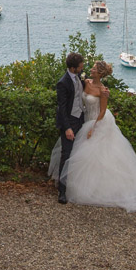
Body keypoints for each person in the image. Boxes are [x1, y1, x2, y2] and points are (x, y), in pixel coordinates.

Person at [50, 60, 136, 213]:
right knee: (81, 155)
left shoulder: (103, 90)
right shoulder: (85, 82)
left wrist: (93, 128)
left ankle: (101, 190)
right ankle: (72, 187)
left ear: (100, 73)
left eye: (93, 68)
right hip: (83, 120)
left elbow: (102, 111)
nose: (90, 69)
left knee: (100, 157)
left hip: (97, 123)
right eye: (90, 67)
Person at [54, 51, 85, 204]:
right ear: (73, 68)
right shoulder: (63, 83)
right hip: (70, 123)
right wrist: (67, 128)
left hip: (80, 120)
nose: (82, 68)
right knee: (66, 155)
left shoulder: (79, 77)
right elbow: (62, 108)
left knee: (80, 154)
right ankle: (62, 191)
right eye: (80, 67)